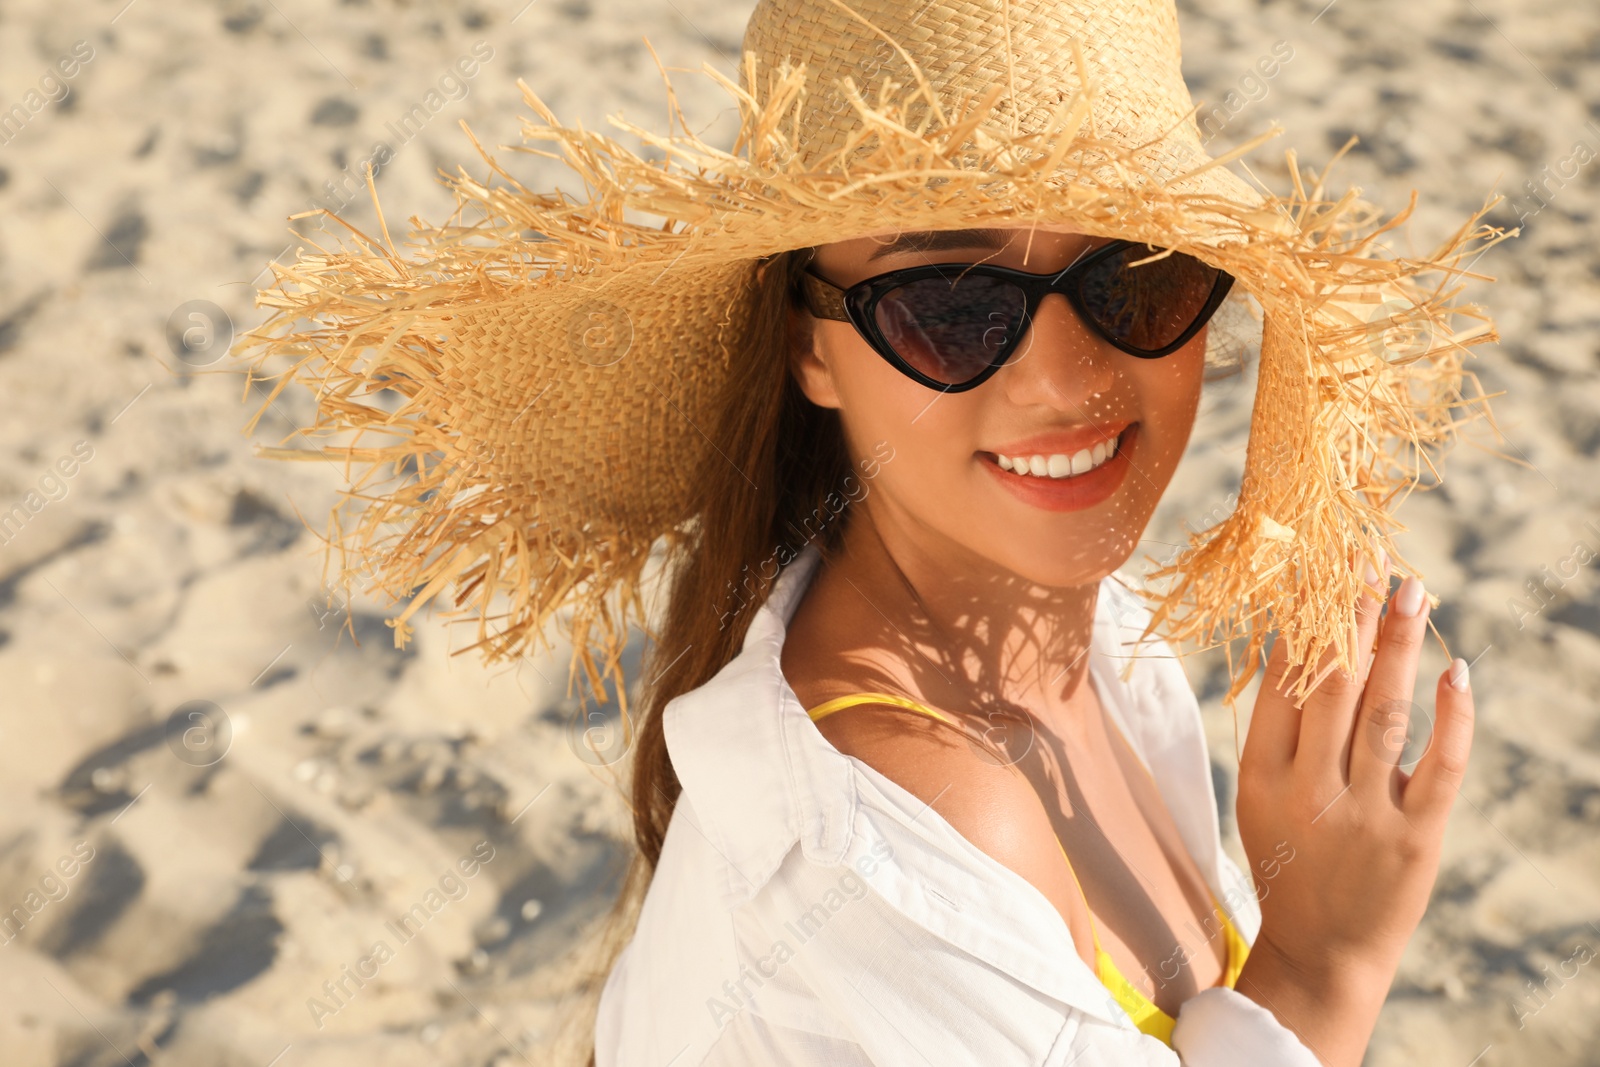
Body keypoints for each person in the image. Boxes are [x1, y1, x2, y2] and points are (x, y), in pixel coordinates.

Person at [240, 0, 1510, 1062]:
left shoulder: (1085, 641)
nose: (1069, 379)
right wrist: (1319, 968)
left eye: (1136, 274)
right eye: (951, 303)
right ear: (809, 347)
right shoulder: (893, 840)